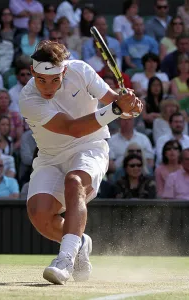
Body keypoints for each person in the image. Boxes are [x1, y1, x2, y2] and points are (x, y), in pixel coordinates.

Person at [19, 40, 142, 284]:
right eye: (42, 80)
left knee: (74, 181)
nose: (48, 87)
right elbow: (73, 128)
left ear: (64, 71)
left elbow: (112, 100)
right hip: (50, 157)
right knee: (39, 215)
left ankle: (65, 259)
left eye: (55, 79)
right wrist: (117, 109)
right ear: (33, 72)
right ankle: (80, 242)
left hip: (90, 147)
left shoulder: (80, 70)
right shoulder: (28, 99)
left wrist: (129, 106)